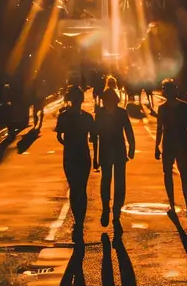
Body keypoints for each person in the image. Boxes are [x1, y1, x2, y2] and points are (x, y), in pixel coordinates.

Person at [93, 81, 135, 234]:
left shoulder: (120, 113)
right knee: (107, 181)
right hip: (107, 151)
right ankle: (106, 208)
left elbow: (128, 130)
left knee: (118, 183)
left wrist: (132, 147)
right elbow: (95, 136)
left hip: (118, 152)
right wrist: (95, 157)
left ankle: (116, 211)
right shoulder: (101, 114)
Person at [55, 85, 95, 242]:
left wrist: (67, 143)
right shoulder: (87, 117)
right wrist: (96, 158)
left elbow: (59, 136)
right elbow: (94, 138)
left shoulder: (64, 116)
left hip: (70, 156)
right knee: (81, 189)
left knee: (74, 188)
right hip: (83, 155)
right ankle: (80, 222)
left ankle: (77, 221)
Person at [155, 78, 187, 222]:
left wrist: (156, 146)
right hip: (180, 144)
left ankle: (174, 206)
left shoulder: (164, 108)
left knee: (170, 174)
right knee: (183, 176)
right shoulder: (182, 107)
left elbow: (160, 129)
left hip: (170, 144)